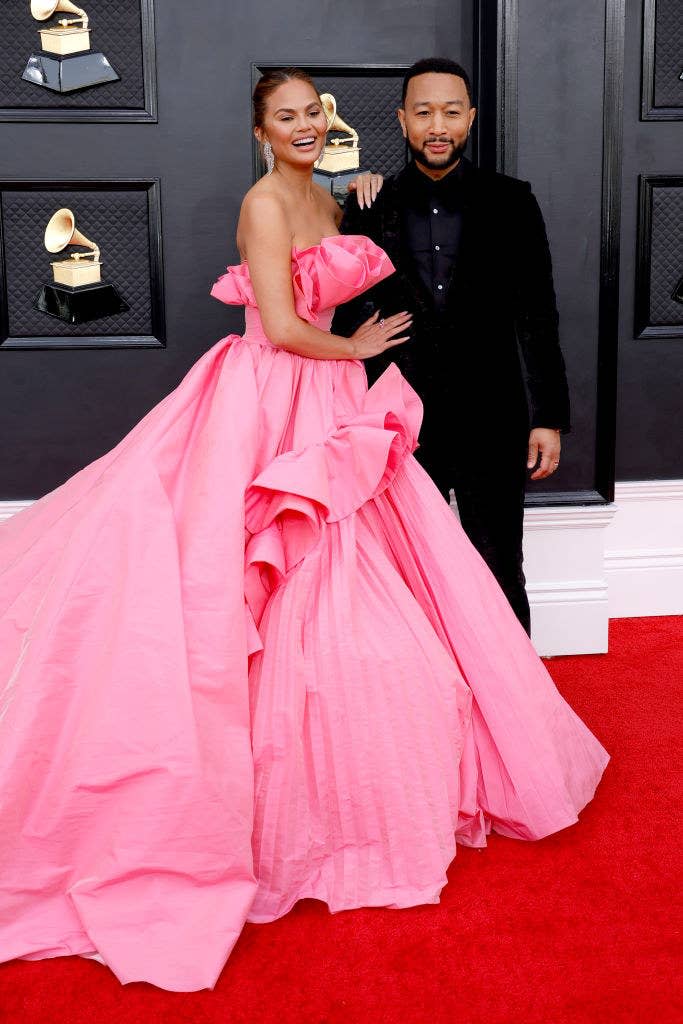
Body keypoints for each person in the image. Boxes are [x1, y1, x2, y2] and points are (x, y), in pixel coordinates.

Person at [0, 68, 608, 993]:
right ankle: (274, 796)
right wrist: (356, 351)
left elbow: (522, 308)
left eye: (313, 115)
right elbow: (282, 323)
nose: (303, 127)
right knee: (260, 580)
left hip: (358, 406)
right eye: (285, 117)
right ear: (259, 130)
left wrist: (527, 406)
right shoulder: (268, 201)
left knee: (415, 584)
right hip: (283, 400)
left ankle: (466, 741)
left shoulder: (339, 196)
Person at [334, 57, 570, 635]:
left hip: (494, 412)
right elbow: (344, 311)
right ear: (403, 120)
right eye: (423, 112)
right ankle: (427, 704)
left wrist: (547, 419)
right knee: (405, 566)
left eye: (450, 112)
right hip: (402, 418)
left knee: (497, 564)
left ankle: (516, 709)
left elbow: (537, 314)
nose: (437, 125)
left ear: (470, 118)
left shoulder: (513, 200)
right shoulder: (369, 204)